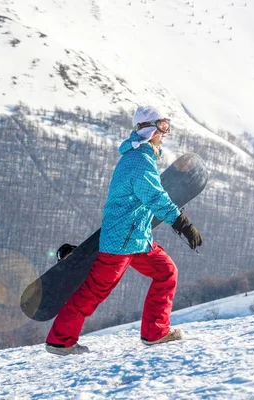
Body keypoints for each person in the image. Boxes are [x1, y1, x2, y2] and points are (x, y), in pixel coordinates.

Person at [45, 105, 203, 356]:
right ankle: (60, 340)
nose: (166, 132)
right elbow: (155, 198)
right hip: (122, 241)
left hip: (137, 239)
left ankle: (156, 332)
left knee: (166, 272)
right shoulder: (139, 161)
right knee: (94, 292)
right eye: (163, 126)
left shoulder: (140, 156)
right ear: (150, 129)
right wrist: (183, 223)